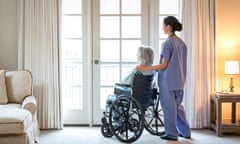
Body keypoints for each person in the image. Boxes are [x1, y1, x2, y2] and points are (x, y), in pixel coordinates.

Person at [137, 16, 191, 140]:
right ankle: (186, 131)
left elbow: (163, 65)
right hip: (180, 80)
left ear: (169, 27)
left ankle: (171, 134)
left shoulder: (167, 43)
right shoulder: (182, 43)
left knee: (169, 108)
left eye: (163, 25)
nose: (162, 27)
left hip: (168, 81)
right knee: (178, 107)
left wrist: (145, 68)